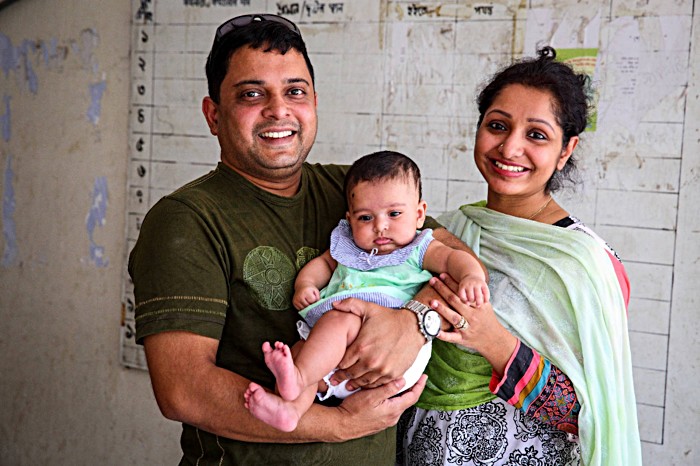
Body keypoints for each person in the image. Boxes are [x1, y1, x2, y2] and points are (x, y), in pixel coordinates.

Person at [128, 14, 469, 465]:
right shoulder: (186, 220)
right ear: (213, 114)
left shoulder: (355, 191)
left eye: (295, 91)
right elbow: (184, 391)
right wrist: (343, 423)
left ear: (313, 102)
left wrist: (413, 320)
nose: (279, 109)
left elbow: (454, 256)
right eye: (252, 94)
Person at [397, 46, 642, 466]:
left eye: (537, 135)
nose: (510, 148)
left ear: (566, 150)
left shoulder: (584, 263)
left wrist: (494, 341)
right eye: (497, 125)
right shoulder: (446, 232)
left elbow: (593, 415)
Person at [244, 151, 489, 432]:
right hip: (338, 350)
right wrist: (306, 284)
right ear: (350, 219)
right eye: (365, 218)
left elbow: (451, 258)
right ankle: (290, 410)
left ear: (419, 214)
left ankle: (298, 378)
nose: (380, 226)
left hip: (393, 351)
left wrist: (470, 275)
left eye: (394, 214)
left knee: (336, 324)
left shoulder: (418, 247)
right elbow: (323, 263)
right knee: (300, 350)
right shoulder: (347, 246)